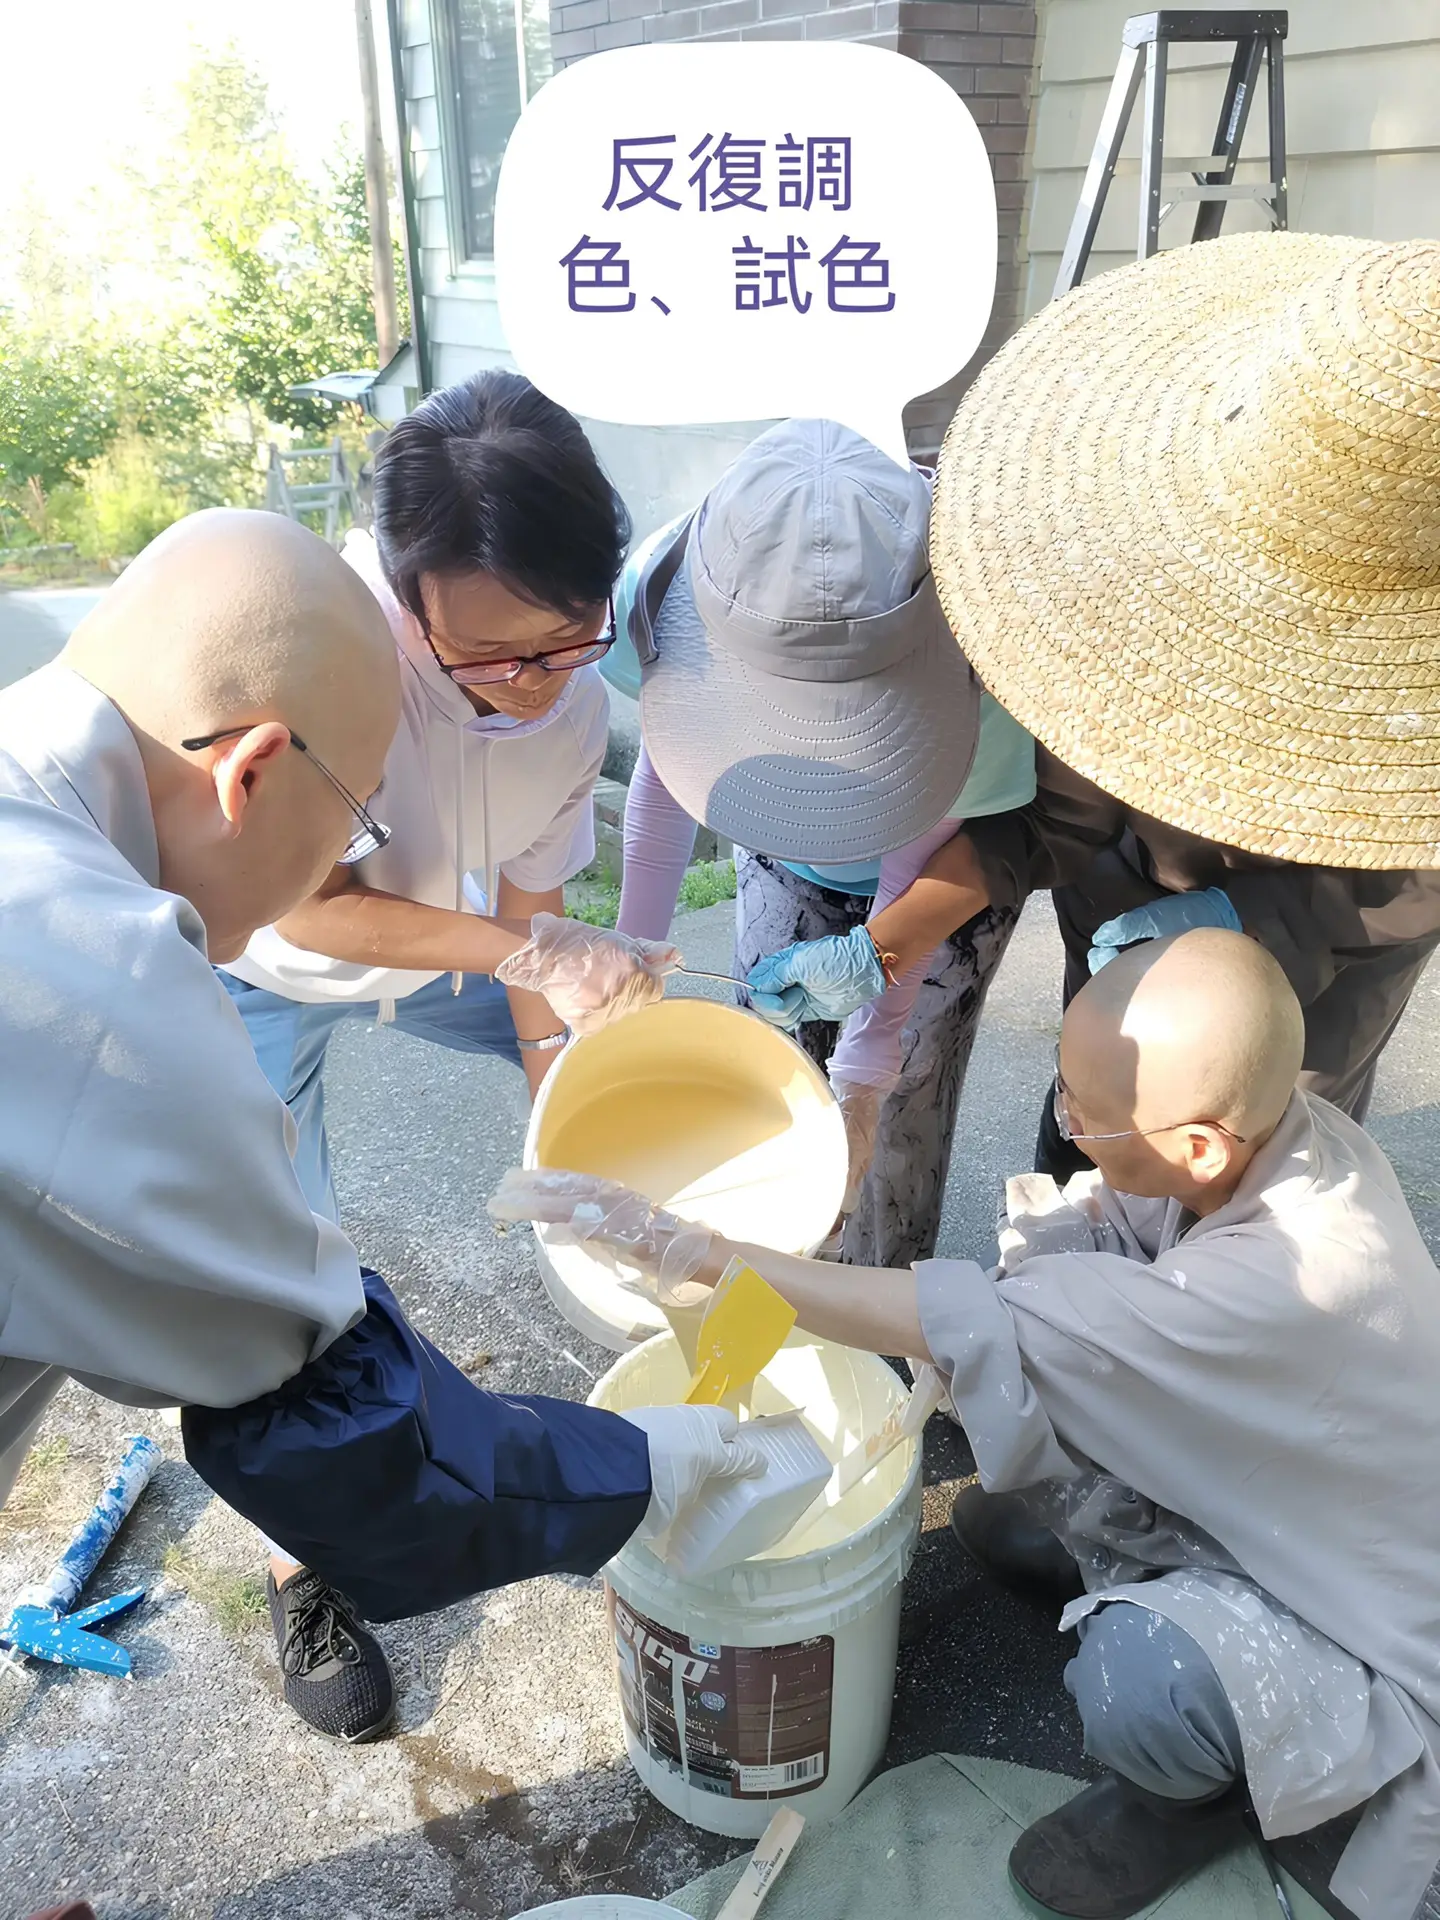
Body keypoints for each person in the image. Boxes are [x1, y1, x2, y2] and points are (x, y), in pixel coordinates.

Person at [0, 510, 764, 1753]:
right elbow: (349, 1440)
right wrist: (644, 1461)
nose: (356, 857)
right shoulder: (109, 1006)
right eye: (356, 821)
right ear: (247, 773)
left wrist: (555, 1078)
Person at [496, 927, 1440, 1920]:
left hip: (1361, 1608)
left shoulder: (1277, 1282)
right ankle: (1112, 1546)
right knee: (1025, 1367)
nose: (1066, 1119)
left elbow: (963, 1325)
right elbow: (1067, 1283)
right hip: (1292, 1478)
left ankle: (1183, 1797)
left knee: (1140, 1678)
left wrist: (685, 1248)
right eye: (1063, 1085)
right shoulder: (1291, 1137)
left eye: (1091, 1115)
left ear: (1198, 1141)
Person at [744, 233, 1440, 1194]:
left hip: (1310, 977)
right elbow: (1047, 814)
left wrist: (1254, 913)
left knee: (1250, 1187)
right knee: (1092, 1140)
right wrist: (880, 947)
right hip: (1118, 916)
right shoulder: (1118, 559)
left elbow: (1416, 877)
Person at [610, 417, 1036, 1267]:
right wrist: (629, 948)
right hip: (781, 859)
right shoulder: (656, 596)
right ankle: (770, 1267)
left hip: (936, 878)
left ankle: (881, 1313)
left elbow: (930, 845)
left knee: (899, 1098)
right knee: (767, 1064)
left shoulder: (994, 651)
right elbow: (671, 766)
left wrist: (869, 1060)